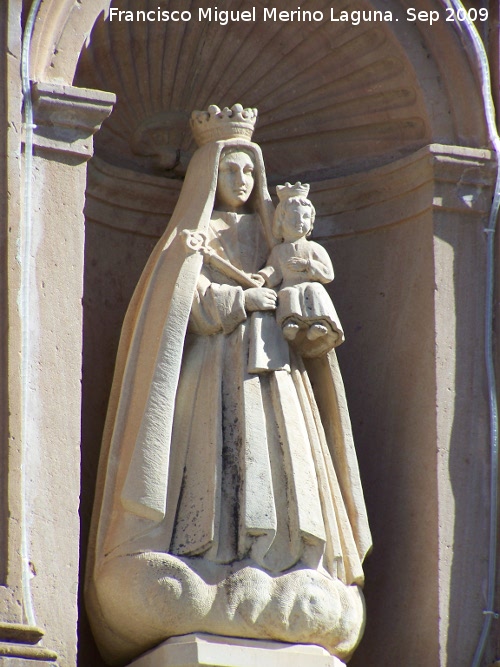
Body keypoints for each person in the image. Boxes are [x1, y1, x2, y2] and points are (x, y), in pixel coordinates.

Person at [86, 105, 371, 666]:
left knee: (280, 456)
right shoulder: (192, 238)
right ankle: (206, 553)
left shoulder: (270, 235)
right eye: (230, 171)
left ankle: (278, 560)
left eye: (248, 172)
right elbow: (183, 304)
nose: (241, 181)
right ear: (210, 175)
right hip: (215, 366)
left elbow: (299, 282)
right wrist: (240, 300)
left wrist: (283, 296)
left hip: (275, 367)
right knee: (213, 458)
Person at [259, 182, 344, 357]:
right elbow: (273, 271)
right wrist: (261, 278)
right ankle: (291, 323)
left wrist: (307, 265)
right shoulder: (279, 251)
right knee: (287, 294)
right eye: (294, 217)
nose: (300, 222)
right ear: (281, 221)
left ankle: (319, 325)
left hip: (308, 283)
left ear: (311, 221)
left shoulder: (314, 248)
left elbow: (328, 274)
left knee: (314, 289)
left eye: (305, 217)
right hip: (289, 285)